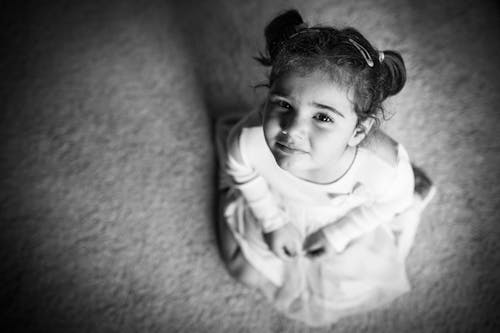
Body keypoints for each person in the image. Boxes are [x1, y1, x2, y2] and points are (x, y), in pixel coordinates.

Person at [214, 9, 436, 326]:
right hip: (277, 205)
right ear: (268, 96)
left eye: (323, 117)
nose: (292, 129)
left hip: (338, 217)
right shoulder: (249, 140)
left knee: (356, 283)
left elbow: (393, 202)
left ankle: (415, 193)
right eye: (283, 105)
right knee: (242, 270)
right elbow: (240, 170)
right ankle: (231, 199)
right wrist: (271, 221)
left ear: (359, 131)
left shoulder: (381, 168)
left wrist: (337, 235)